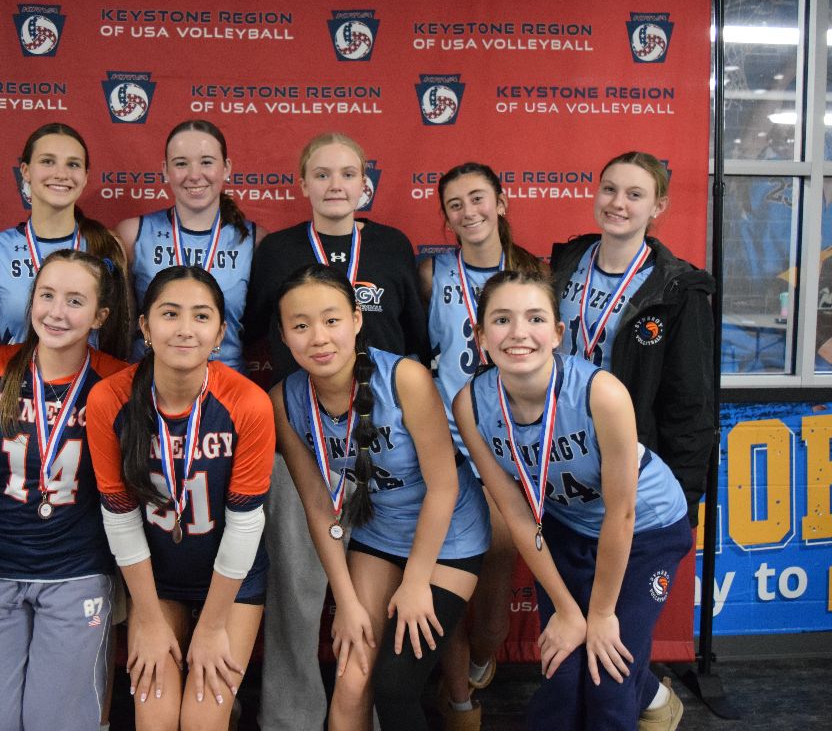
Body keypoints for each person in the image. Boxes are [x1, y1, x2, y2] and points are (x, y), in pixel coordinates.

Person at [453, 269, 691, 731]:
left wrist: (600, 614)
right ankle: (654, 694)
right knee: (563, 671)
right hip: (564, 526)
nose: (519, 332)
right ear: (480, 336)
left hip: (646, 529)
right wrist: (567, 610)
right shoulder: (472, 404)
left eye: (535, 318)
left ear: (558, 333)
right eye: (501, 320)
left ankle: (645, 697)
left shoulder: (602, 394)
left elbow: (622, 513)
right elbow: (516, 512)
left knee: (608, 676)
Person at [247, 132, 429, 731]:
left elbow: (415, 337)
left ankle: (364, 714)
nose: (334, 185)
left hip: (383, 444)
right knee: (297, 592)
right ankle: (290, 719)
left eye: (347, 173)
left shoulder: (392, 245)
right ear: (302, 183)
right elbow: (255, 331)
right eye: (321, 174)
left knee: (370, 600)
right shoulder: (276, 250)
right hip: (303, 437)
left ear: (365, 184)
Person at [273, 265, 489, 730]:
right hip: (379, 535)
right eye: (300, 325)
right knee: (351, 679)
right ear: (284, 335)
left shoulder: (404, 378)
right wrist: (347, 602)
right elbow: (319, 506)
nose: (318, 337)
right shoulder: (285, 400)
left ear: (356, 319)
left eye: (331, 320)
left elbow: (444, 487)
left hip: (449, 537)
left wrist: (415, 583)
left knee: (395, 684)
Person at [551, 151, 713, 728]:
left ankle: (642, 703)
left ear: (658, 206)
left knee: (611, 647)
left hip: (636, 488)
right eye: (609, 189)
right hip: (565, 479)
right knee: (575, 642)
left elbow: (691, 407)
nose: (618, 203)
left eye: (635, 194)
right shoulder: (564, 263)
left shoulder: (678, 289)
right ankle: (653, 700)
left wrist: (682, 501)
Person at [86, 266, 274, 731]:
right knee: (156, 721)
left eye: (201, 316)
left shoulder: (248, 403)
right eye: (170, 314)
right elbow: (120, 517)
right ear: (145, 327)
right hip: (156, 581)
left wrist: (212, 627)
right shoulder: (110, 398)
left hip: (230, 585)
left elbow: (246, 524)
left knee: (202, 723)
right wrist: (148, 620)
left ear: (220, 333)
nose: (185, 329)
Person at [0, 250, 130, 730]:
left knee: (54, 722)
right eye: (46, 295)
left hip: (75, 570)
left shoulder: (118, 379)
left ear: (100, 316)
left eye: (75, 301)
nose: (56, 312)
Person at [420, 162, 544, 729]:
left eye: (477, 198)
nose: (468, 212)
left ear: (501, 202)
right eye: (455, 204)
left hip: (508, 446)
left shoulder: (533, 273)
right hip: (444, 444)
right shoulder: (431, 273)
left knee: (493, 600)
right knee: (445, 577)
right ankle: (459, 701)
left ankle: (478, 664)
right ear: (445, 218)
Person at [116, 119, 257, 372]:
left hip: (226, 382)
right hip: (149, 380)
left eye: (206, 162)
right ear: (165, 170)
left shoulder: (253, 240)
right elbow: (123, 323)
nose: (194, 175)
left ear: (226, 168)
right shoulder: (132, 234)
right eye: (181, 163)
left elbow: (260, 325)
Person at [0, 122, 127, 347]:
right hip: (16, 370)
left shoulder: (108, 244)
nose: (61, 174)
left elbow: (120, 332)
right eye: (47, 161)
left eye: (73, 164)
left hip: (90, 370)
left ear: (85, 176)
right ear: (25, 171)